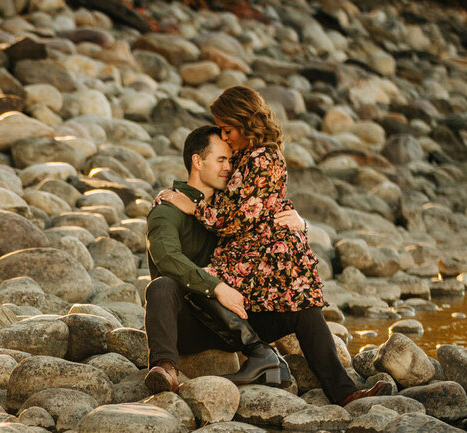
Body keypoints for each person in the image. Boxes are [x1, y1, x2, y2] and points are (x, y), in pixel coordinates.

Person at [147, 90, 391, 406]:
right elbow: (166, 258)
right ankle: (165, 369)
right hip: (194, 320)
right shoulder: (169, 206)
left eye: (230, 160)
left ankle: (344, 393)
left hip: (236, 319)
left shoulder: (230, 201)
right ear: (197, 161)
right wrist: (218, 288)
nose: (228, 167)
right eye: (221, 159)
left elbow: (259, 212)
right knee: (161, 286)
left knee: (304, 310)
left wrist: (301, 223)